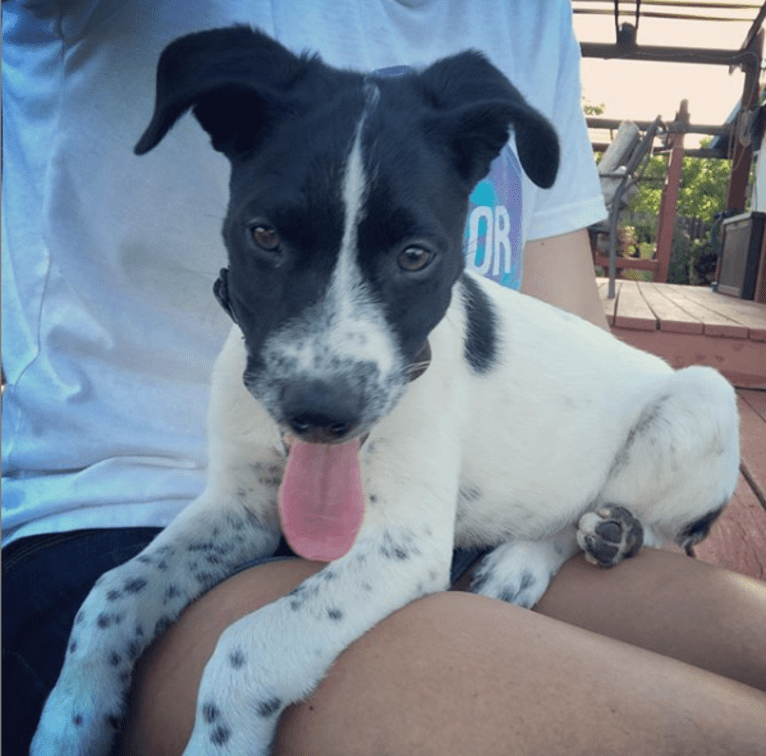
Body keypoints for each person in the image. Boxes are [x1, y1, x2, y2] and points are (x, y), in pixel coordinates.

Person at [2, 1, 765, 755]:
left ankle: (555, 541)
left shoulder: (526, 15)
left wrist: (555, 537)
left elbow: (412, 545)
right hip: (104, 515)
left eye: (411, 257)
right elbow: (242, 509)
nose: (328, 370)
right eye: (269, 237)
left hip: (521, 528)